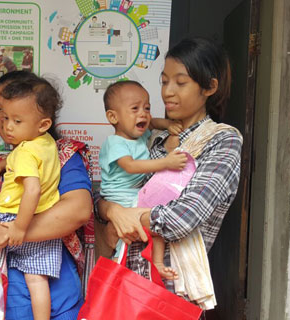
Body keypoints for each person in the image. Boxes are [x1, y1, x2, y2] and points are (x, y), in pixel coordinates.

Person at [96, 37, 243, 302]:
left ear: (209, 87)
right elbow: (110, 194)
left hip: (169, 292)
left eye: (181, 82)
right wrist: (112, 210)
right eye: (164, 81)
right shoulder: (152, 139)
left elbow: (181, 219)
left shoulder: (222, 140)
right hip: (123, 282)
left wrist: (123, 217)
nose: (167, 92)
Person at [0, 70, 93, 320]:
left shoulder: (63, 156)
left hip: (52, 292)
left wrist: (6, 233)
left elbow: (78, 210)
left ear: (42, 120)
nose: (5, 122)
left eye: (15, 115)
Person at [0, 75, 62, 319]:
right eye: (5, 117)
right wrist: (3, 164)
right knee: (37, 280)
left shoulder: (25, 153)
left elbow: (32, 189)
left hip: (15, 218)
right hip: (45, 220)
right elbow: (27, 154)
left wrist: (18, 228)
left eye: (17, 120)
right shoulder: (46, 143)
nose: (8, 126)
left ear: (43, 124)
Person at [99, 80, 187, 280]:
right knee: (143, 226)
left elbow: (154, 122)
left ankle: (156, 264)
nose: (143, 114)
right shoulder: (115, 142)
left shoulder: (139, 135)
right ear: (113, 117)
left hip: (134, 193)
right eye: (135, 108)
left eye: (147, 108)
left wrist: (168, 124)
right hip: (120, 196)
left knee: (156, 223)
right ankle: (116, 265)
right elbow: (130, 166)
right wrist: (166, 163)